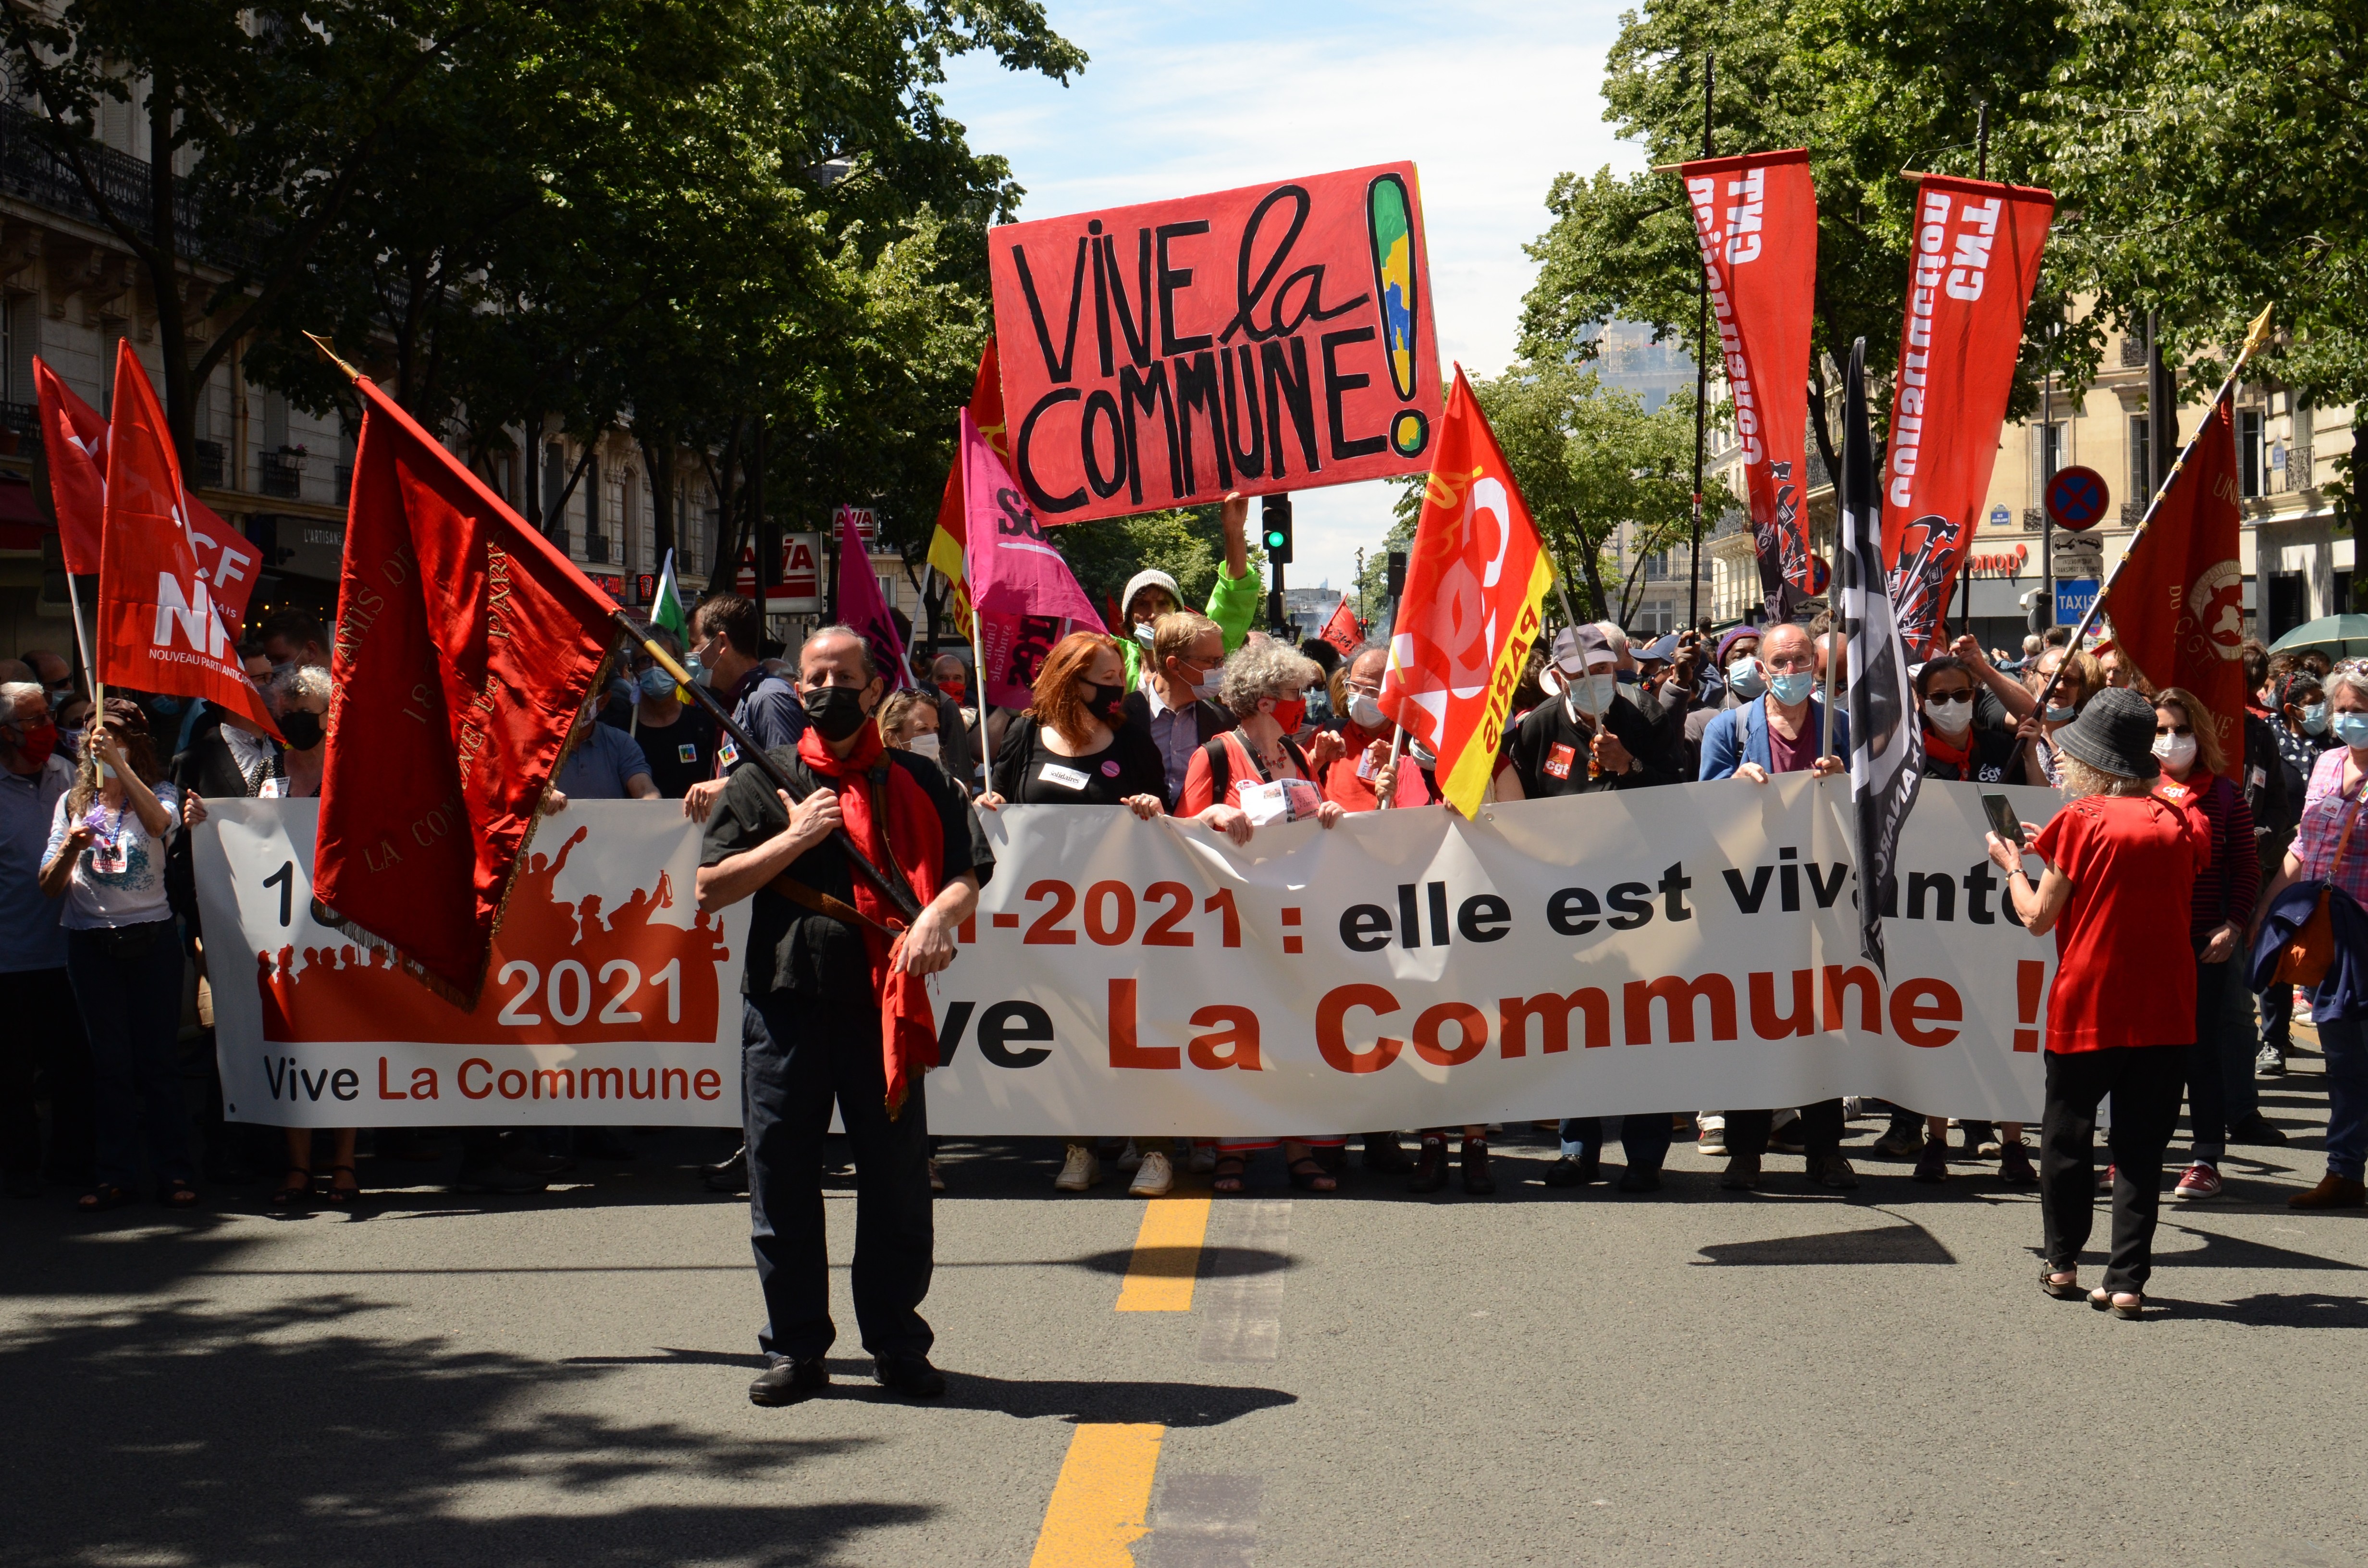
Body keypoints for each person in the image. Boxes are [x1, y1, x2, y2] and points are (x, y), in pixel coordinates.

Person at [699, 625, 986, 1406]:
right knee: (781, 1182)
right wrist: (794, 836)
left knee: (896, 1185)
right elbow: (711, 887)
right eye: (813, 678)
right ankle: (796, 1348)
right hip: (785, 1011)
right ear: (797, 687)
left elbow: (968, 871)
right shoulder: (764, 778)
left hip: (880, 1015)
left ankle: (896, 1341)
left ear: (872, 687)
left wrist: (937, 917)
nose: (826, 690)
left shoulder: (922, 781)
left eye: (842, 677)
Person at [1989, 688, 2209, 1316]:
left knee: (2068, 1136)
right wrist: (2053, 848)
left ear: (2093, 763)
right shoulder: (2183, 818)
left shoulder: (2082, 819)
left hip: (2091, 1000)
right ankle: (2128, 1281)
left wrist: (2011, 864)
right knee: (2142, 1148)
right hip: (2167, 1003)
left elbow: (2035, 916)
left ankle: (2062, 1264)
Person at [979, 632, 1172, 1195]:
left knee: (1135, 1033)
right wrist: (987, 804)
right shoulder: (1020, 736)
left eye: (1119, 679)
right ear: (1068, 681)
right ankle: (1079, 1144)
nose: (1116, 691)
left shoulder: (1131, 743)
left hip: (1124, 918)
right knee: (1067, 1032)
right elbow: (997, 800)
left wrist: (1151, 808)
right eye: (1104, 681)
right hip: (1048, 927)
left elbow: (1166, 820)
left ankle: (1155, 1148)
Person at [1177, 637, 1355, 1194]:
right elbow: (1182, 831)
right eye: (1293, 693)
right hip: (1234, 924)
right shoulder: (1212, 754)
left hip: (1293, 920)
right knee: (1238, 1035)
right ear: (1262, 701)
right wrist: (1211, 814)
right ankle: (1231, 1152)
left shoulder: (1298, 754)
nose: (1304, 701)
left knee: (1296, 1030)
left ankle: (1300, 1149)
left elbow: (1311, 819)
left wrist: (1328, 808)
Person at [1506, 626, 1680, 1192]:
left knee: (1644, 1027)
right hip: (1568, 908)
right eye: (1581, 675)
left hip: (1641, 902)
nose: (1594, 682)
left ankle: (1644, 1155)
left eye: (1602, 671)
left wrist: (1629, 766)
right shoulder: (1536, 728)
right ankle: (1576, 1148)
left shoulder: (1647, 717)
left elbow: (1682, 800)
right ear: (1560, 678)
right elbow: (1518, 810)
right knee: (1575, 1024)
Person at [184, 665, 358, 1205]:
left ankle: (345, 1162)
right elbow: (243, 840)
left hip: (342, 933)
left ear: (331, 715)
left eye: (305, 714)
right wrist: (201, 820)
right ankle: (299, 1166)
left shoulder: (351, 773)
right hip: (282, 935)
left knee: (342, 1041)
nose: (294, 723)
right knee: (291, 1044)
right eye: (285, 715)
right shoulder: (266, 773)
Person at [1700, 622, 1854, 1190]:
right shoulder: (1729, 729)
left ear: (1815, 668)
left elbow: (1864, 808)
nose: (1791, 672)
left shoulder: (1837, 726)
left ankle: (1825, 1152)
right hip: (1752, 903)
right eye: (1780, 663)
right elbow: (1699, 813)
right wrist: (1731, 785)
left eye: (1801, 662)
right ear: (1759, 670)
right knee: (1752, 1024)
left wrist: (1844, 781)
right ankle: (1745, 1152)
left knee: (1824, 1026)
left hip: (1821, 901)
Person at [37, 699, 194, 1213]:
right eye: (97, 739)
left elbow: (156, 826)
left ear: (138, 744)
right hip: (92, 944)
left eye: (118, 737)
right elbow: (48, 886)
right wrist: (71, 849)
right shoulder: (71, 804)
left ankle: (174, 1172)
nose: (104, 744)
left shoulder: (162, 792)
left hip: (151, 941)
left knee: (159, 1064)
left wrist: (122, 770)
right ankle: (115, 1175)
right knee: (110, 1066)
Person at [2257, 662, 2368, 1210]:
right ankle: (2343, 1171)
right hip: (2328, 932)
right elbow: (2302, 844)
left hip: (2365, 926)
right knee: (2342, 1054)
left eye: (2359, 711)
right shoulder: (2325, 763)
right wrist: (2269, 906)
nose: (2347, 720)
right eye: (2341, 710)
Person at [2143, 688, 2259, 1202]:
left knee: (2198, 1051)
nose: (2171, 740)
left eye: (2181, 730)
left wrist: (2231, 927)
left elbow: (2246, 868)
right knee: (2141, 1053)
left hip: (2203, 942)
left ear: (2200, 735)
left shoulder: (2225, 794)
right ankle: (2136, 1152)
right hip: (2146, 940)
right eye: (2161, 730)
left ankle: (2204, 1158)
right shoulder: (2136, 791)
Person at [2, 681, 93, 1198]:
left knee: (72, 1066)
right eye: (33, 721)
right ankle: (18, 1166)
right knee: (12, 1074)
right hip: (10, 957)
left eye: (47, 716)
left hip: (68, 950)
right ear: (5, 734)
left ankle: (72, 1161)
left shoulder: (69, 777)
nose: (45, 729)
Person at [2258, 672, 2334, 1076]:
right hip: (2280, 861)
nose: (2322, 709)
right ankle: (2273, 1038)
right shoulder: (2269, 739)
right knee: (2280, 948)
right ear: (2290, 708)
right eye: (2314, 701)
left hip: (2327, 867)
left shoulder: (2336, 747)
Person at [1115, 491, 1261, 689]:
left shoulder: (1202, 651)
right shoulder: (1114, 661)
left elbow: (1234, 595)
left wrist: (1233, 530)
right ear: (1128, 617)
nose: (1154, 614)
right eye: (1142, 604)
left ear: (1178, 611)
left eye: (1163, 604)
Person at [683, 592, 806, 822]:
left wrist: (729, 785)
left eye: (693, 644)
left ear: (721, 643)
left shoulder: (770, 698)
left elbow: (794, 781)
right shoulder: (735, 701)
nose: (690, 654)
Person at [1122, 611, 1237, 810]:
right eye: (1212, 661)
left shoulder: (1224, 722)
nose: (1221, 668)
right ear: (1175, 665)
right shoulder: (1122, 717)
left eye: (1222, 659)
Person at [602, 627, 719, 800]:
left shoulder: (705, 725)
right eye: (645, 661)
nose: (655, 668)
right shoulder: (617, 731)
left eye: (664, 661)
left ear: (680, 668)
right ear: (635, 671)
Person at [2019, 646, 2100, 788]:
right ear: (2032, 679)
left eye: (2071, 680)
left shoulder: (2094, 741)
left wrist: (2086, 776)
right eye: (2051, 677)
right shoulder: (2013, 734)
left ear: (2080, 689)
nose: (2061, 686)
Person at [924, 653, 981, 797]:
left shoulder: (979, 723)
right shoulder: (922, 722)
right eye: (942, 678)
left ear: (965, 684)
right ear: (929, 681)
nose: (950, 684)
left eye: (957, 678)